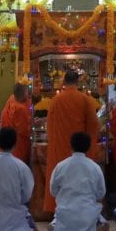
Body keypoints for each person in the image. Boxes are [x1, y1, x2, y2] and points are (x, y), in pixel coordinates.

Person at [44, 70, 100, 214]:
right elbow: (94, 125)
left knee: (60, 180)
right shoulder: (84, 99)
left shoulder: (56, 100)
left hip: (60, 149)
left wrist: (54, 141)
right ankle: (82, 208)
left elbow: (50, 125)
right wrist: (89, 145)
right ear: (78, 82)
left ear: (64, 82)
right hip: (81, 149)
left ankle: (57, 209)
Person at [45, 132, 105, 231]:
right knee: (104, 224)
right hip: (87, 216)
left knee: (54, 223)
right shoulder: (95, 167)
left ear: (70, 146)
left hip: (65, 214)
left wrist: (65, 197)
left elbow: (53, 191)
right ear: (88, 147)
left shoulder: (60, 166)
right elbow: (101, 194)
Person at [0, 83, 32, 163]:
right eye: (27, 91)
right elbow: (25, 130)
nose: (28, 94)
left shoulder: (11, 101)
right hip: (19, 145)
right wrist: (33, 124)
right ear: (24, 93)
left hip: (8, 143)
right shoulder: (20, 108)